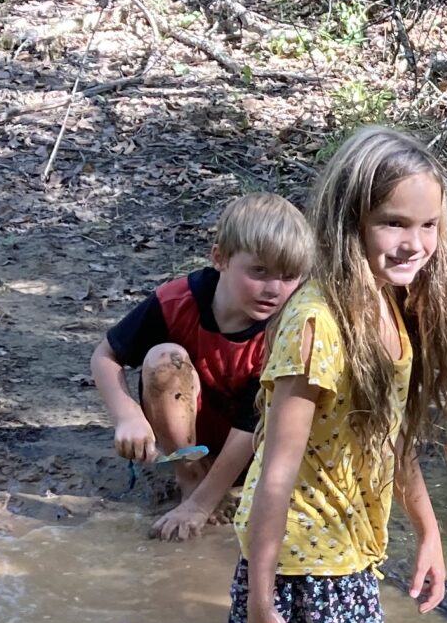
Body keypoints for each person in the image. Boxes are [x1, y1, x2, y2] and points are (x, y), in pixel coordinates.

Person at [90, 127, 447, 623]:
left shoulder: (388, 308)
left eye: (428, 225)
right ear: (350, 222)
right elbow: (276, 468)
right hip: (310, 552)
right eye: (393, 223)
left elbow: (392, 438)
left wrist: (429, 531)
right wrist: (263, 598)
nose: (413, 243)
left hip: (329, 542)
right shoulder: (318, 324)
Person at [93, 192, 311, 540]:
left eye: (288, 277)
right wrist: (127, 415)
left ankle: (209, 492)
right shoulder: (176, 301)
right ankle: (189, 478)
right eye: (259, 271)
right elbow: (105, 356)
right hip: (193, 444)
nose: (273, 289)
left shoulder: (288, 329)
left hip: (257, 447)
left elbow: (249, 425)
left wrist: (202, 505)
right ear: (220, 258)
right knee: (162, 358)